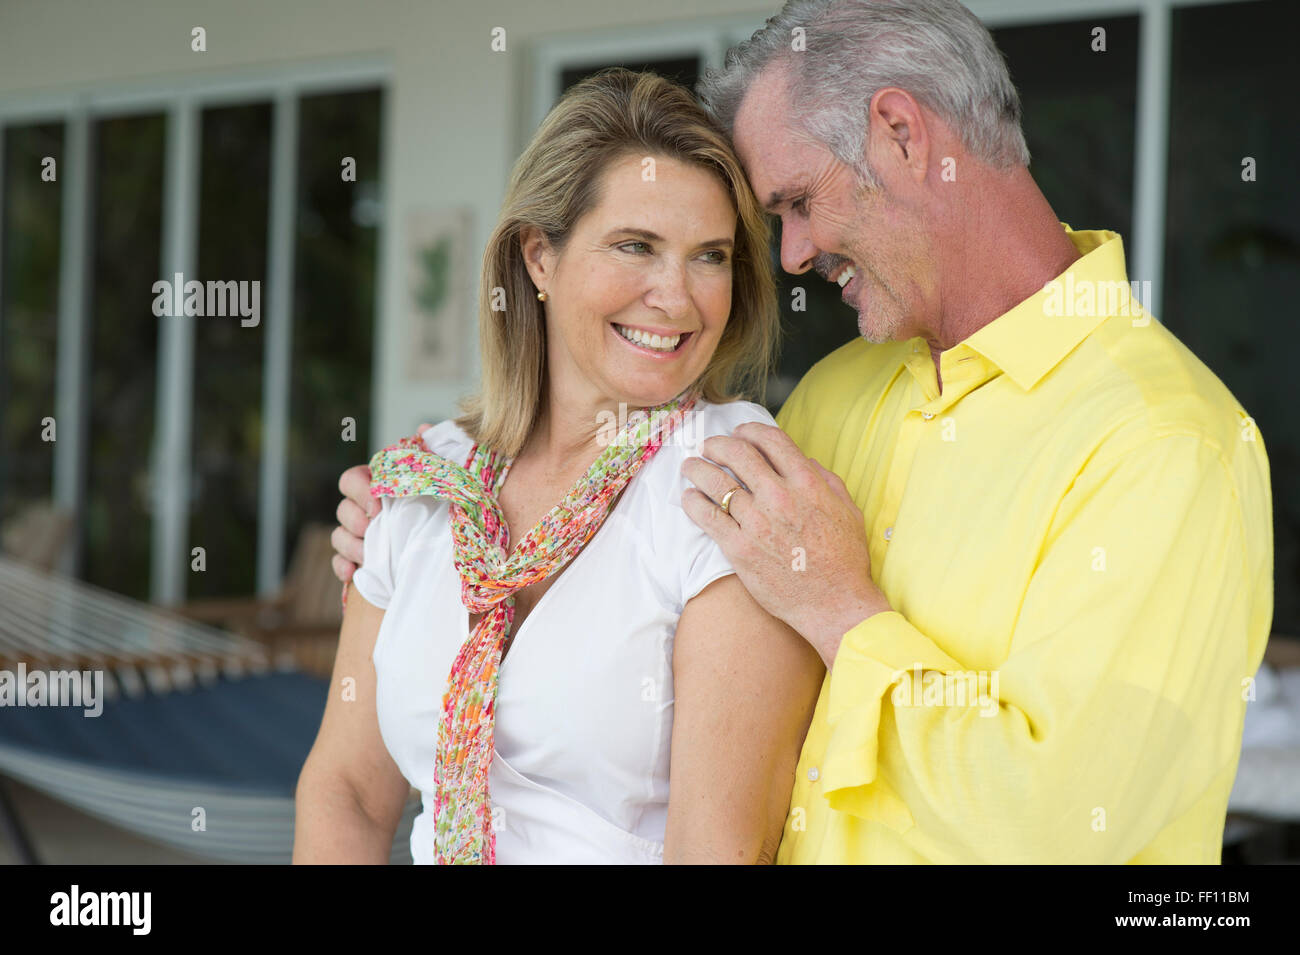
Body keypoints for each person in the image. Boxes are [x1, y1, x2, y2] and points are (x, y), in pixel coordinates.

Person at [334, 0, 1274, 864]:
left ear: (901, 135)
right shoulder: (833, 397)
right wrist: (410, 540)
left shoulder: (1168, 445)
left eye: (793, 203)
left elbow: (1061, 830)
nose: (789, 256)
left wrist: (841, 609)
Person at [294, 68, 824, 865]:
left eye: (709, 256)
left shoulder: (723, 478)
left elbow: (721, 852)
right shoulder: (423, 484)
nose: (677, 299)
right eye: (636, 246)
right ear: (539, 256)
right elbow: (348, 791)